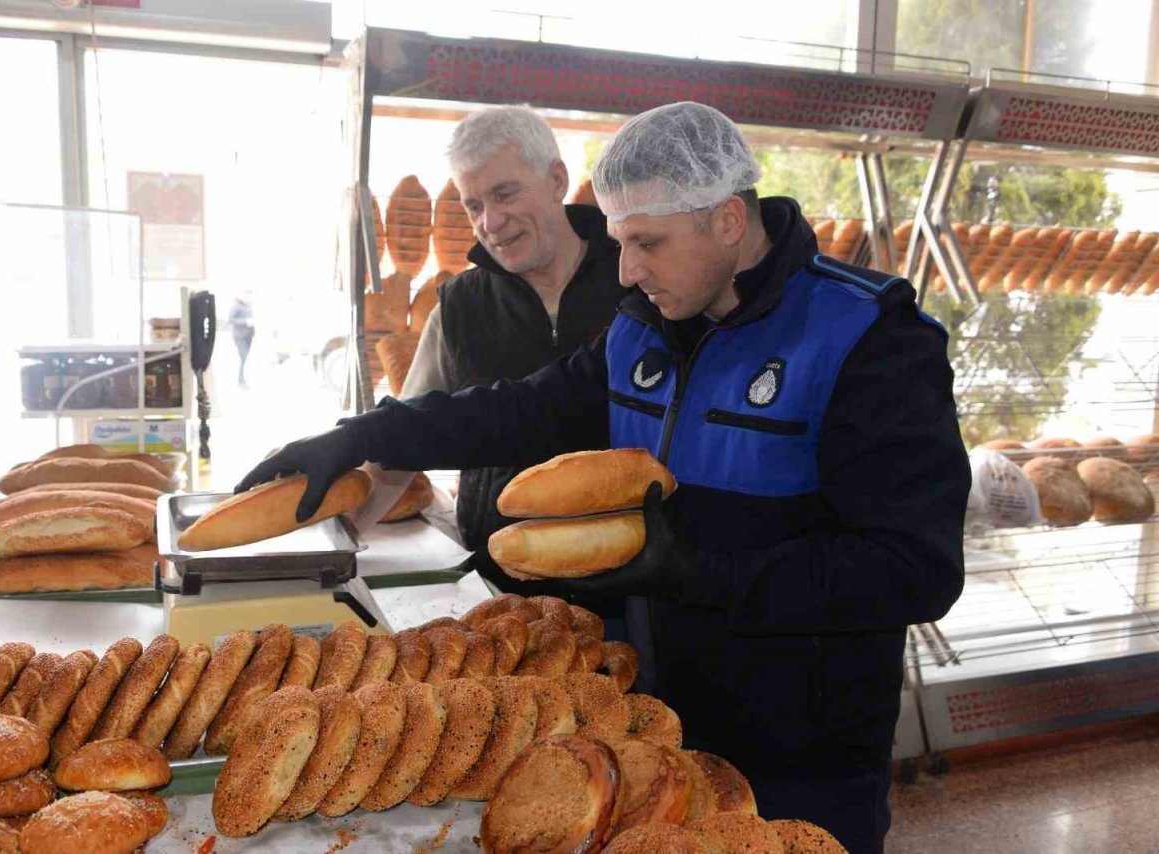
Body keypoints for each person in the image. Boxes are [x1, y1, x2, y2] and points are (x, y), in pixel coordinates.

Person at [236, 102, 969, 853]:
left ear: (726, 220)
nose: (626, 270)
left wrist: (698, 566)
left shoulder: (867, 337)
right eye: (620, 243)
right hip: (659, 726)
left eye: (647, 243)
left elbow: (918, 569)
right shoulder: (644, 328)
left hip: (802, 756)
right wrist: (362, 435)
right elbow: (520, 409)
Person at [399, 105, 625, 585]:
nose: (491, 222)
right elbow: (404, 439)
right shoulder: (457, 309)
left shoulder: (637, 284)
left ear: (557, 180)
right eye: (473, 206)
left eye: (504, 194)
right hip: (496, 583)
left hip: (630, 583)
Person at [228, 290, 255, 389]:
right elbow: (231, 320)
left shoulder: (249, 306)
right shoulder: (236, 305)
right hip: (239, 336)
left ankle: (243, 380)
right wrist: (245, 321)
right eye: (247, 296)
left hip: (248, 335)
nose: (249, 298)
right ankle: (242, 381)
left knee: (245, 358)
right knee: (244, 357)